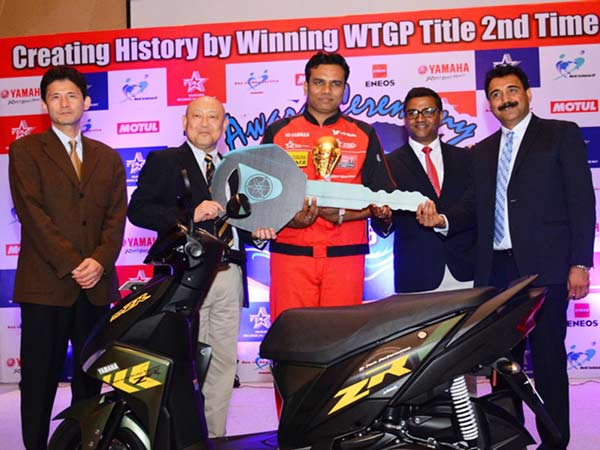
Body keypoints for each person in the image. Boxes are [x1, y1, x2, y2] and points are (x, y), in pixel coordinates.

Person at [419, 64, 595, 450]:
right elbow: (472, 207)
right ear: (489, 104)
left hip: (546, 268)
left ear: (528, 94)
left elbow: (582, 200)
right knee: (501, 363)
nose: (505, 100)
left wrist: (580, 262)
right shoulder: (482, 151)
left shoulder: (560, 134)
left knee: (547, 359)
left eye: (512, 90)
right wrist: (443, 219)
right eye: (496, 95)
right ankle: (510, 439)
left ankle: (554, 441)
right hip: (496, 270)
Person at [127, 96, 275, 438]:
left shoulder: (235, 168)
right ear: (184, 122)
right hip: (186, 278)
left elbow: (241, 220)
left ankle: (215, 438)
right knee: (185, 364)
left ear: (224, 126)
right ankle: (184, 439)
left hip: (229, 273)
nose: (205, 123)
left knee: (222, 364)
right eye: (197, 116)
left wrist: (257, 232)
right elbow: (138, 210)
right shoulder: (165, 161)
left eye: (213, 117)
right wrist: (187, 216)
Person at [8, 65, 127, 450]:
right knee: (39, 379)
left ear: (86, 102)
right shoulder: (25, 151)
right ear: (44, 105)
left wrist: (99, 261)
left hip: (95, 287)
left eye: (71, 95)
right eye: (55, 97)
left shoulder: (108, 157)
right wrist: (75, 264)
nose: (64, 103)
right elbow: (32, 214)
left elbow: (116, 218)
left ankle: (82, 444)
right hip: (46, 285)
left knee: (90, 378)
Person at [261, 51, 392, 321]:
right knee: (292, 333)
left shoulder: (364, 133)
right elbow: (262, 194)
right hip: (291, 253)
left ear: (345, 89)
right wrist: (290, 218)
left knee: (341, 334)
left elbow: (382, 197)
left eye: (335, 84)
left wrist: (349, 214)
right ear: (306, 85)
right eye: (319, 82)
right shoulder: (279, 132)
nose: (326, 91)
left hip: (345, 255)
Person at [371, 87, 475, 293]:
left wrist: (443, 221)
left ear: (441, 115)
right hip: (416, 276)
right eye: (412, 113)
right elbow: (382, 224)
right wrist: (384, 218)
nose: (420, 118)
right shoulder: (388, 164)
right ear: (405, 119)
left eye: (428, 111)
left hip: (466, 270)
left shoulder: (466, 158)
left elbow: (474, 207)